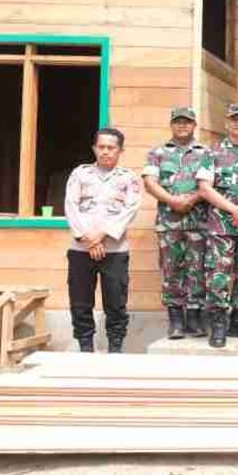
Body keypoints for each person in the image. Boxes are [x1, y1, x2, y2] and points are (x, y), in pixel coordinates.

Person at [64, 128, 142, 353]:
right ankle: (85, 346)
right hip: (81, 249)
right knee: (80, 301)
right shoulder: (80, 174)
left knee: (116, 302)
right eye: (101, 147)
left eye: (111, 148)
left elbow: (130, 209)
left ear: (120, 151)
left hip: (115, 251)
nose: (106, 152)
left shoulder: (128, 178)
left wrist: (101, 236)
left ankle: (115, 347)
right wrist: (89, 239)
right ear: (94, 149)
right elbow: (71, 206)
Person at [196, 103, 238, 348]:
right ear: (226, 123)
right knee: (218, 275)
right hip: (221, 225)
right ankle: (218, 324)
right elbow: (205, 188)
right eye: (234, 119)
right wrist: (234, 210)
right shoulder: (211, 153)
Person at [142, 107, 209, 339]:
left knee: (197, 271)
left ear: (194, 125)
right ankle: (176, 320)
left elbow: (209, 184)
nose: (182, 126)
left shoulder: (205, 154)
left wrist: (191, 199)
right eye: (178, 122)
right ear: (171, 125)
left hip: (198, 223)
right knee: (171, 271)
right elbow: (150, 183)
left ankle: (195, 318)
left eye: (187, 122)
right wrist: (172, 200)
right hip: (169, 224)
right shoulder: (157, 153)